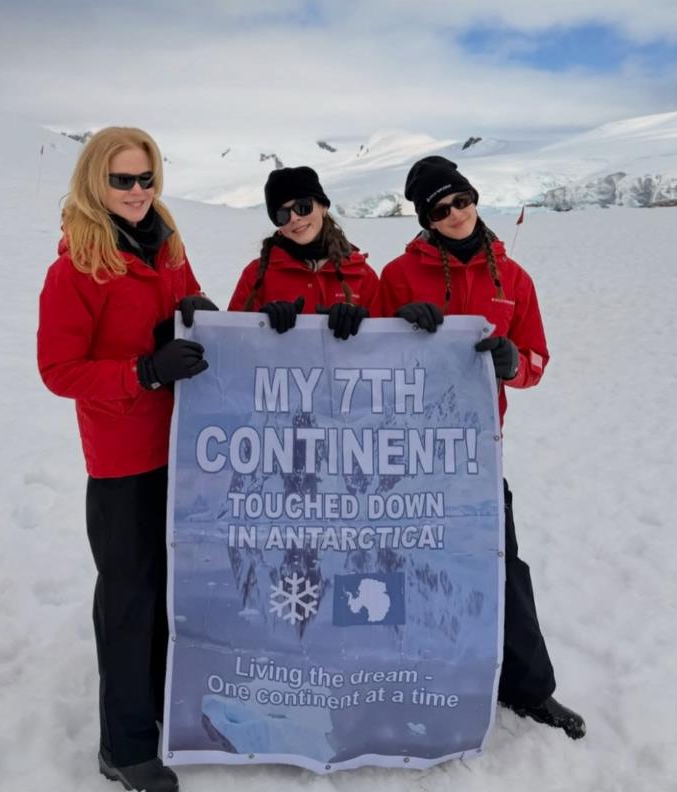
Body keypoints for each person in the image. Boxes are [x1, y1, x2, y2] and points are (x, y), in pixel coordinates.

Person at [377, 156, 586, 740]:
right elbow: (362, 357)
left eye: (462, 200)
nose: (456, 214)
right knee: (408, 566)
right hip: (406, 454)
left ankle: (528, 688)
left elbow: (537, 360)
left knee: (501, 565)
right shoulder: (396, 274)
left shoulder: (512, 277)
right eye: (440, 209)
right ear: (425, 217)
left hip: (476, 452)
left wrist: (513, 362)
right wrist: (396, 323)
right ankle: (397, 675)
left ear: (474, 197)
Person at [37, 127, 216, 791]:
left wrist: (194, 314)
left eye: (146, 179)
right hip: (121, 459)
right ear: (94, 182)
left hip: (183, 444)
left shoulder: (165, 243)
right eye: (123, 181)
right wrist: (142, 370)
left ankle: (163, 708)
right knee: (129, 596)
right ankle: (126, 746)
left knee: (171, 588)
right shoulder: (75, 269)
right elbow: (59, 369)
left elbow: (186, 298)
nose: (137, 192)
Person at [228, 166, 379, 336]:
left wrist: (363, 324)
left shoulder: (361, 274)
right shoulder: (256, 275)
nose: (294, 218)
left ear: (323, 207)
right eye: (282, 215)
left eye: (303, 206)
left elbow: (386, 346)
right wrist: (262, 323)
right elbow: (232, 341)